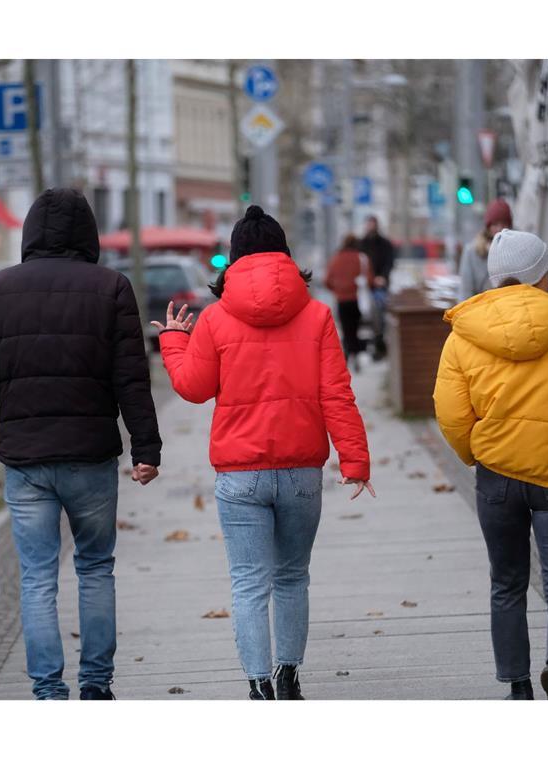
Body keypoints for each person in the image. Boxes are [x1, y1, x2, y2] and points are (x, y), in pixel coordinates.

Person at [153, 205, 374, 700]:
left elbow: (192, 387)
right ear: (286, 256)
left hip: (240, 474)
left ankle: (257, 685)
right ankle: (289, 676)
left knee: (249, 584)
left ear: (232, 261)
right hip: (301, 470)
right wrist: (355, 462)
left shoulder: (213, 321)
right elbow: (337, 393)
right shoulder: (317, 315)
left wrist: (172, 341)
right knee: (293, 577)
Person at [0, 188, 162, 701]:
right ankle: (95, 686)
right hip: (91, 455)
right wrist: (146, 450)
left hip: (25, 458)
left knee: (38, 575)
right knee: (95, 567)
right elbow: (131, 378)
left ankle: (48, 691)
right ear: (88, 234)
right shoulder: (112, 288)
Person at [433, 229, 548, 701]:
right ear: (538, 276)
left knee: (507, 584)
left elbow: (451, 413)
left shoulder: (463, 334)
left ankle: (518, 687)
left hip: (497, 476)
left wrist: (473, 454)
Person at [324, 233, 374, 370]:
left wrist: (337, 290)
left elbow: (327, 281)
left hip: (341, 300)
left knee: (346, 329)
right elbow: (369, 280)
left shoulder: (336, 259)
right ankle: (356, 354)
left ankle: (346, 354)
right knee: (356, 328)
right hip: (357, 300)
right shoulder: (361, 258)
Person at [457, 198, 513, 300]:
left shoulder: (517, 251)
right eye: (495, 224)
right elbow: (465, 291)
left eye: (504, 224)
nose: (500, 229)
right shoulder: (472, 252)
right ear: (488, 226)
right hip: (481, 311)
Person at [359, 215, 395, 360]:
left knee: (379, 314)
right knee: (369, 315)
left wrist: (382, 278)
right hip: (365, 285)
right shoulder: (361, 243)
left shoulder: (384, 244)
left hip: (380, 285)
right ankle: (373, 343)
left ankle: (379, 344)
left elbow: (389, 262)